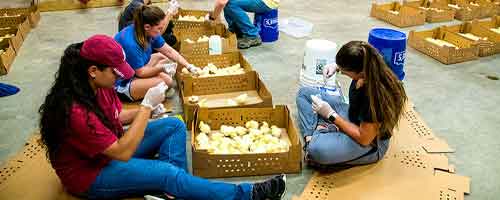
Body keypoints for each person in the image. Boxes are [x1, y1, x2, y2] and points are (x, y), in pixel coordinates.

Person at [38, 35, 286, 200]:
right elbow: (122, 151)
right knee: (168, 173)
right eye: (114, 72)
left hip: (109, 148)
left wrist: (149, 110)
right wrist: (145, 107)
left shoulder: (99, 87)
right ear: (93, 71)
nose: (119, 78)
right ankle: (248, 194)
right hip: (91, 175)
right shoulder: (75, 111)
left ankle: (175, 192)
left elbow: (117, 114)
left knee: (172, 125)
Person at [296, 41, 407, 167]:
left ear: (360, 72)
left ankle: (321, 133)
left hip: (368, 140)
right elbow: (356, 61)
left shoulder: (375, 95)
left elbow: (364, 138)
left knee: (316, 150)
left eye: (344, 71)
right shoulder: (372, 62)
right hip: (352, 114)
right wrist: (336, 66)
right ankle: (312, 136)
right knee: (304, 94)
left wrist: (331, 115)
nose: (342, 73)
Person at [114, 4, 200, 102]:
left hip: (135, 70)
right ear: (147, 27)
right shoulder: (130, 43)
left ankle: (150, 86)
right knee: (166, 81)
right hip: (121, 82)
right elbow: (141, 73)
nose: (161, 31)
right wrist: (161, 68)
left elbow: (169, 51)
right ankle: (134, 92)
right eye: (159, 28)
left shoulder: (146, 31)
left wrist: (188, 66)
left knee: (162, 57)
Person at [207, 0, 279, 49]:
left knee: (231, 4)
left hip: (268, 2)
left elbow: (221, 3)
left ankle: (252, 36)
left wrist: (212, 18)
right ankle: (237, 30)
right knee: (229, 2)